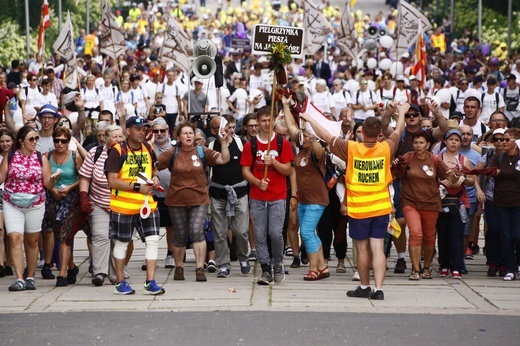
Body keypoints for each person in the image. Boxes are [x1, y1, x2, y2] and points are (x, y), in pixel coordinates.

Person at [300, 103, 408, 300]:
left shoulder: (351, 148)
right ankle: (379, 289)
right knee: (377, 248)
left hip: (359, 208)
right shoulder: (386, 148)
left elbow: (325, 136)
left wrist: (309, 120)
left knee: (362, 249)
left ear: (363, 132)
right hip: (381, 207)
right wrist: (400, 112)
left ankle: (364, 286)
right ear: (378, 134)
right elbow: (399, 129)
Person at [156, 121, 230, 282]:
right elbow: (153, 165)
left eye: (191, 133)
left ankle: (199, 269)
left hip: (199, 199)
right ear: (178, 137)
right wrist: (154, 177)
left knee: (197, 231)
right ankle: (179, 267)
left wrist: (224, 144)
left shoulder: (202, 151)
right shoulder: (172, 153)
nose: (188, 136)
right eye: (185, 133)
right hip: (176, 200)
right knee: (180, 235)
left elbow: (224, 159)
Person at [105, 115, 165, 295]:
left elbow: (154, 169)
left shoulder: (148, 147)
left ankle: (150, 281)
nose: (142, 132)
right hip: (123, 206)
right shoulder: (117, 150)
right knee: (122, 243)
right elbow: (112, 181)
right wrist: (138, 187)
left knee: (153, 240)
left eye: (144, 128)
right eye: (138, 129)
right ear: (128, 131)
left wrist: (154, 178)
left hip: (147, 205)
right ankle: (120, 281)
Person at [0, 126, 60, 291]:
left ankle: (30, 276)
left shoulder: (41, 158)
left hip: (35, 203)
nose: (35, 142)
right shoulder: (10, 156)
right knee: (14, 238)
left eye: (36, 139)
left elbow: (47, 183)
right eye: (31, 139)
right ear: (21, 141)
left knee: (32, 241)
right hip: (13, 202)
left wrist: (53, 180)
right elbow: (1, 177)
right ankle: (19, 278)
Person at [240, 106, 294, 285]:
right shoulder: (251, 144)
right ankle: (265, 269)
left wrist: (275, 163)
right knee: (260, 234)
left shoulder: (281, 143)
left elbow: (288, 169)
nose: (265, 123)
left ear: (273, 121)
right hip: (258, 196)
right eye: (262, 120)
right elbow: (245, 170)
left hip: (278, 195)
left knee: (276, 233)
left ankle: (278, 263)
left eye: (268, 120)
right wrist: (256, 182)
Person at [396, 130, 457, 280]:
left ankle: (427, 267)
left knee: (429, 237)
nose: (418, 146)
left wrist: (459, 174)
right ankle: (415, 270)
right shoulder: (407, 158)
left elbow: (452, 178)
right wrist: (395, 165)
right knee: (416, 233)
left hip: (431, 203)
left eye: (421, 143)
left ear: (428, 144)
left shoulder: (435, 160)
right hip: (410, 202)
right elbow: (395, 175)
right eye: (415, 142)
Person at [281, 96, 330, 281]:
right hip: (304, 198)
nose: (303, 137)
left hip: (317, 199)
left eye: (307, 135)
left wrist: (313, 132)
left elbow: (319, 151)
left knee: (307, 233)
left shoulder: (317, 151)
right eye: (304, 135)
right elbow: (292, 127)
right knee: (310, 234)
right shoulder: (301, 148)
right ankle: (323, 267)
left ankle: (313, 269)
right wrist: (286, 106)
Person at [79, 124, 123, 286]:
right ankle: (99, 271)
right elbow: (85, 177)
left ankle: (115, 273)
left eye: (120, 136)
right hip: (99, 202)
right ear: (106, 138)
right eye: (114, 136)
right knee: (100, 236)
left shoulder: (127, 154)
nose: (117, 140)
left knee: (117, 239)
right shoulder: (95, 153)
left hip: (121, 203)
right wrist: (84, 196)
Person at [207, 116, 250, 278]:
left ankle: (243, 257)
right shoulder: (210, 146)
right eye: (219, 127)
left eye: (225, 126)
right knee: (219, 232)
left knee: (241, 231)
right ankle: (223, 264)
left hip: (239, 192)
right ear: (213, 131)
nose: (223, 130)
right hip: (217, 193)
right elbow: (206, 170)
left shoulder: (241, 143)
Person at [44, 127, 83, 287]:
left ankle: (62, 273)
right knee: (59, 234)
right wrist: (53, 190)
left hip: (70, 198)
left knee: (65, 235)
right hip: (53, 198)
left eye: (63, 141)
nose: (60, 144)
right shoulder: (48, 156)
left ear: (69, 142)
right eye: (57, 140)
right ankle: (72, 267)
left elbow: (83, 178)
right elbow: (45, 179)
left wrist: (69, 188)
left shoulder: (75, 156)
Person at [436, 129, 475, 279]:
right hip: (442, 200)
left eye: (456, 140)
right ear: (445, 141)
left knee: (457, 234)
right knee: (443, 233)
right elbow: (430, 177)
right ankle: (444, 264)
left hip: (460, 201)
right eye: (451, 139)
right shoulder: (438, 158)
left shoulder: (463, 159)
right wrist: (439, 181)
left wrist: (464, 178)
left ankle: (457, 266)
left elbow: (472, 180)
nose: (453, 142)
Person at [488, 128, 520, 281]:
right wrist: (494, 172)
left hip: (518, 202)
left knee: (517, 236)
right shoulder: (499, 156)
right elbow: (488, 169)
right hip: (501, 202)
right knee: (506, 237)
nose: (503, 142)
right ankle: (511, 269)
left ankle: (519, 264)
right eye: (502, 139)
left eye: (507, 139)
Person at [149, 118, 175, 269]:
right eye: (155, 131)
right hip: (152, 194)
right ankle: (151, 257)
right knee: (152, 228)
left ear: (167, 131)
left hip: (171, 194)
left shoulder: (175, 146)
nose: (159, 134)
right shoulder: (148, 147)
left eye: (162, 131)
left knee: (172, 227)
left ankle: (170, 255)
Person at [0, 129, 15, 277]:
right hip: (0, 194)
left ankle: (10, 262)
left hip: (13, 196)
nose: (5, 144)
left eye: (7, 141)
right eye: (2, 141)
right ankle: (1, 262)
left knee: (11, 232)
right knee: (0, 231)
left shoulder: (17, 156)